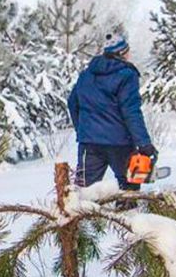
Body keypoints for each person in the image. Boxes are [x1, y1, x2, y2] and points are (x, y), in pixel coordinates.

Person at [67, 33, 157, 190]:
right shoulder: (127, 75)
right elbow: (131, 111)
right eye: (128, 51)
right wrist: (144, 143)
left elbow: (72, 103)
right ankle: (126, 213)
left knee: (83, 190)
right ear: (122, 53)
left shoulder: (87, 74)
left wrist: (83, 130)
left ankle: (81, 214)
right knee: (129, 187)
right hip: (119, 143)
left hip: (89, 143)